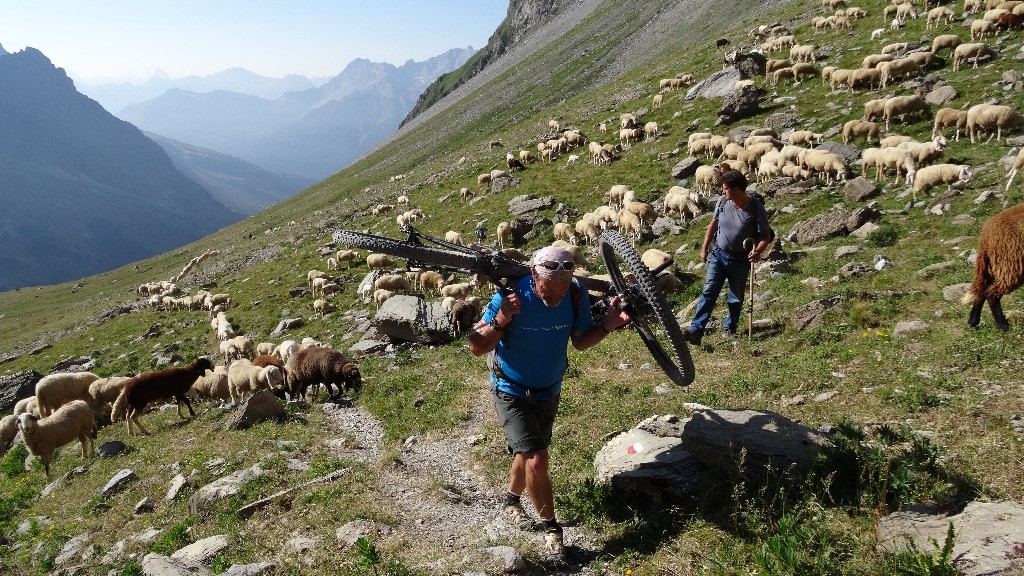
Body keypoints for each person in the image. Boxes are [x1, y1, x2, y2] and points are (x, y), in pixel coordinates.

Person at [468, 245, 631, 560]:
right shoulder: (512, 295)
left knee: (530, 450)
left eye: (562, 288)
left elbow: (581, 341)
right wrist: (501, 319)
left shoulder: (574, 292)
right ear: (533, 275)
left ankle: (511, 502)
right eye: (549, 288)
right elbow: (477, 346)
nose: (556, 295)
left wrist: (609, 324)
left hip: (549, 388)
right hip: (510, 388)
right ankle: (551, 529)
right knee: (537, 459)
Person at [685, 169, 772, 345]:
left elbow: (765, 235)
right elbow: (714, 224)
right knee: (709, 291)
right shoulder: (723, 202)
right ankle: (696, 330)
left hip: (741, 259)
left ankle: (729, 329)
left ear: (737, 189)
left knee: (735, 296)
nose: (723, 191)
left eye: (725, 188)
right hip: (718, 254)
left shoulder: (755, 208)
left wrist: (758, 251)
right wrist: (704, 248)